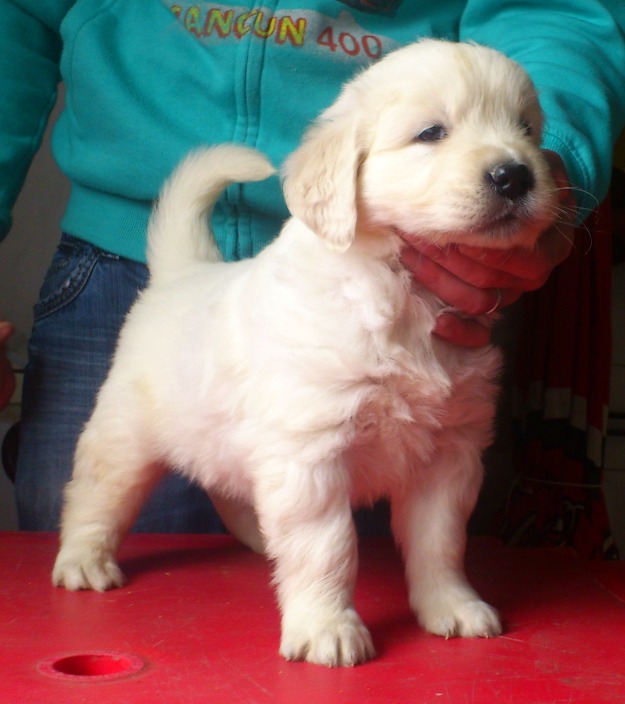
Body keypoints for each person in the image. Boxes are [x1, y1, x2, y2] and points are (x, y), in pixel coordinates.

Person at [1, 1, 624, 533]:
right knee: (100, 584)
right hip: (121, 269)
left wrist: (556, 148)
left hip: (427, 273)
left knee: (389, 613)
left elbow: (558, 7)